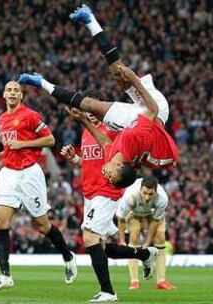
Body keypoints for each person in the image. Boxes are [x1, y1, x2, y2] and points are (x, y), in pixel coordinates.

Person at [61, 100, 159, 302]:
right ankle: (145, 255)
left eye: (91, 109)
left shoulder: (113, 130)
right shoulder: (86, 132)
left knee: (90, 238)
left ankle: (108, 292)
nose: (89, 114)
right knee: (103, 248)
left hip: (105, 192)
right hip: (89, 193)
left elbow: (119, 159)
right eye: (85, 111)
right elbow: (93, 162)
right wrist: (76, 159)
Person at [19, 65, 178, 189]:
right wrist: (135, 80)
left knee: (89, 107)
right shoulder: (133, 137)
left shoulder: (113, 158)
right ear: (119, 166)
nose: (107, 176)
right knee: (111, 88)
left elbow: (105, 142)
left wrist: (84, 121)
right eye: (112, 176)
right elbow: (153, 110)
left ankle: (42, 83)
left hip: (144, 133)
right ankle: (41, 82)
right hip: (160, 119)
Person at [0, 81, 77, 292]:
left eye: (16, 90)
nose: (11, 93)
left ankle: (67, 255)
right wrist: (2, 154)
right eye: (8, 90)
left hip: (30, 174)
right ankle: (5, 275)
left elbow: (50, 139)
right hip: (9, 172)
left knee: (42, 226)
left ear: (21, 95)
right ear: (4, 94)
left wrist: (23, 145)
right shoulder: (2, 119)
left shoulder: (30, 115)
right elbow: (11, 146)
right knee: (1, 221)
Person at [117, 176, 176, 290]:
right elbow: (121, 219)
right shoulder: (131, 196)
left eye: (150, 194)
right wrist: (122, 240)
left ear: (156, 191)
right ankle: (134, 281)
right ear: (140, 189)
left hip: (151, 214)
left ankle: (161, 281)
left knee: (160, 236)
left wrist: (147, 243)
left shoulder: (162, 199)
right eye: (144, 193)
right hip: (133, 213)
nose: (147, 197)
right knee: (134, 236)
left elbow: (155, 221)